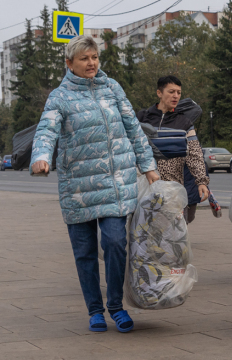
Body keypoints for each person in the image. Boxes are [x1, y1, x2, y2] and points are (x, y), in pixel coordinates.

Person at [30, 35, 158, 333]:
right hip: (77, 187)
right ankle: (95, 311)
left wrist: (148, 165)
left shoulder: (112, 88)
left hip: (115, 182)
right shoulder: (59, 97)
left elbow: (133, 129)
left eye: (94, 57)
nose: (91, 63)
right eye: (84, 58)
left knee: (115, 242)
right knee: (84, 252)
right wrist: (41, 156)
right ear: (69, 63)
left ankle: (115, 305)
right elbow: (46, 129)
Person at [137, 76, 210, 217]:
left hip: (172, 189)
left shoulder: (184, 123)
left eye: (179, 92)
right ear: (159, 93)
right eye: (171, 92)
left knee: (172, 234)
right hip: (143, 187)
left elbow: (195, 154)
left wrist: (201, 181)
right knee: (142, 233)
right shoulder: (142, 118)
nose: (176, 96)